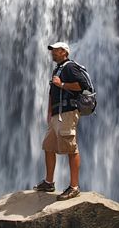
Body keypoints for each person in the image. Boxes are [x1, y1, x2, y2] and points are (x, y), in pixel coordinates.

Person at [33, 42, 88, 200]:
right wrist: (49, 111)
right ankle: (49, 182)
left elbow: (83, 86)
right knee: (48, 146)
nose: (52, 53)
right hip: (56, 114)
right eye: (52, 50)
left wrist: (62, 84)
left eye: (56, 50)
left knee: (71, 148)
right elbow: (52, 92)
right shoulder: (58, 69)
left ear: (64, 52)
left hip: (68, 112)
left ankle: (74, 187)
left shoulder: (70, 67)